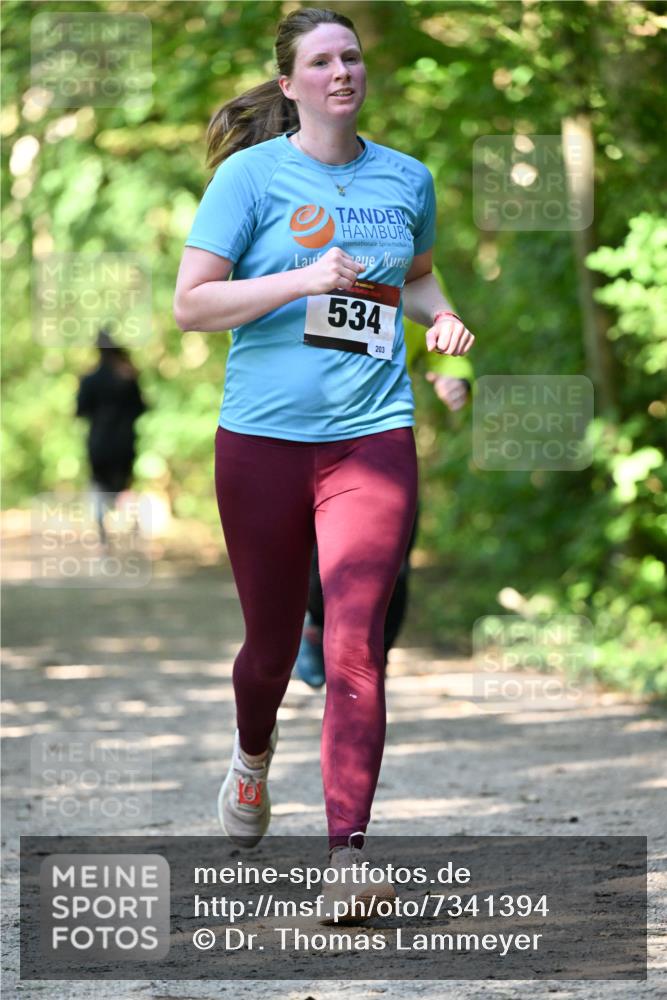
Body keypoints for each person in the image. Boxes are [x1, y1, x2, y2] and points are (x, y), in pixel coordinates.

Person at [174, 6, 474, 919]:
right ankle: (252, 759)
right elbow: (192, 305)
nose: (342, 71)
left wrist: (442, 322)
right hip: (261, 442)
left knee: (354, 648)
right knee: (269, 650)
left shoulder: (406, 177)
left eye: (351, 56)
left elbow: (411, 275)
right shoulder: (249, 179)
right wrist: (303, 280)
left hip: (371, 438)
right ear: (290, 81)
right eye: (321, 60)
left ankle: (347, 856)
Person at [294, 371, 472, 688]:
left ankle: (375, 656)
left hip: (385, 445)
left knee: (394, 567)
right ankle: (317, 625)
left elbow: (441, 338)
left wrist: (456, 377)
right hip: (312, 440)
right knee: (318, 558)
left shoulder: (407, 319)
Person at [76, 330, 147, 544]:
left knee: (99, 486)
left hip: (98, 442)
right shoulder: (127, 376)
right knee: (124, 486)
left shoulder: (90, 379)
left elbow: (80, 411)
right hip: (124, 442)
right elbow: (140, 408)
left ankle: (103, 539)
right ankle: (134, 530)